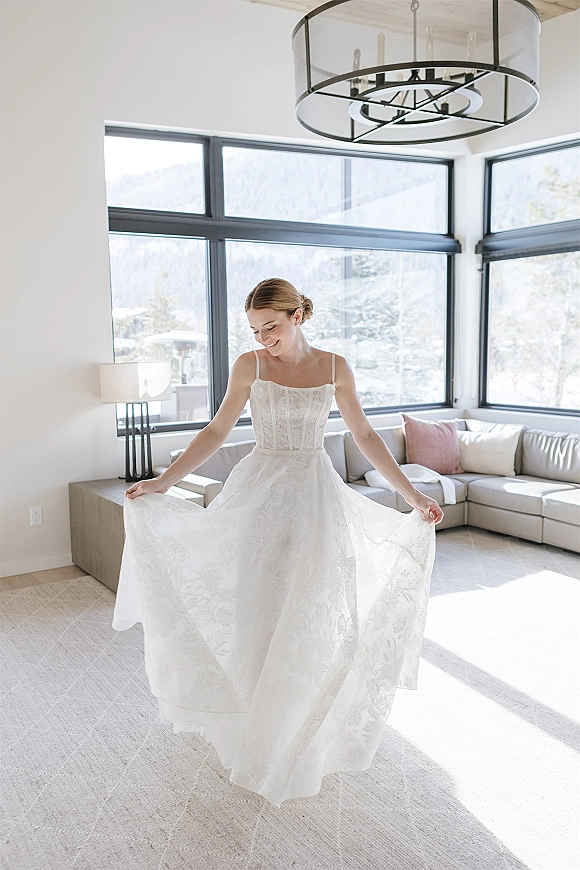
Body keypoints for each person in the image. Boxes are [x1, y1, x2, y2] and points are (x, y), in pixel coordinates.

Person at [112, 277, 443, 808]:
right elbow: (217, 432)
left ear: (298, 316)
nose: (263, 337)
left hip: (315, 495)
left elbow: (364, 436)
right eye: (255, 329)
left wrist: (410, 496)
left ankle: (299, 716)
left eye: (272, 326)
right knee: (259, 604)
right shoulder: (251, 365)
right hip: (260, 490)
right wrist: (162, 483)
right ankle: (253, 715)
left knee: (313, 604)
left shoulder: (335, 367)